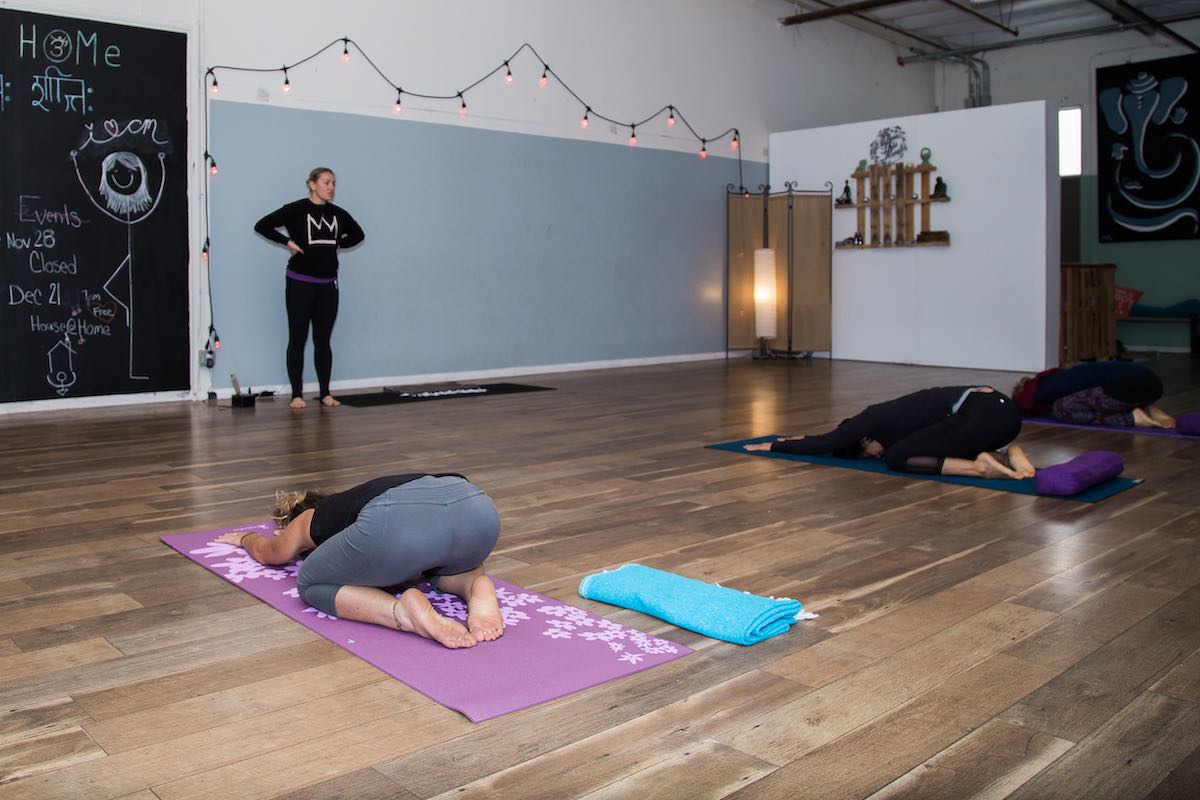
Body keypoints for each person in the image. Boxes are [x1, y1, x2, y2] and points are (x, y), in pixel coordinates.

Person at [214, 473, 503, 649]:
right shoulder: (363, 495)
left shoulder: (312, 517)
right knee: (434, 562)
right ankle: (474, 584)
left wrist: (246, 538)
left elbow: (270, 553)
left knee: (311, 582)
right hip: (476, 509)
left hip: (400, 527)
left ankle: (401, 613)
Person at [745, 386, 1036, 479]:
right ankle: (1009, 453)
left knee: (897, 457)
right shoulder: (900, 417)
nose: (873, 455)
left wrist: (775, 446)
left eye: (866, 452)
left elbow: (830, 441)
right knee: (930, 444)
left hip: (982, 417)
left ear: (865, 440)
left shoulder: (871, 418)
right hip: (1004, 417)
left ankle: (978, 466)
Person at [254, 167, 365, 409]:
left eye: (334, 183)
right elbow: (261, 225)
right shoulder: (296, 209)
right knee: (298, 338)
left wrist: (338, 244)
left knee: (323, 340)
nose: (331, 187)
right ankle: (296, 394)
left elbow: (358, 234)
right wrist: (287, 242)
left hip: (328, 286)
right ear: (312, 184)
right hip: (300, 284)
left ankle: (325, 393)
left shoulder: (338, 214)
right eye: (326, 182)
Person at [1012, 361, 1175, 429]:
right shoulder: (1060, 376)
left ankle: (1133, 417)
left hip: (1131, 386)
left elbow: (1020, 406)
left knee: (1061, 408)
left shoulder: (1041, 389)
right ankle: (1145, 405)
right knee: (1082, 399)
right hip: (1149, 381)